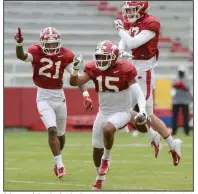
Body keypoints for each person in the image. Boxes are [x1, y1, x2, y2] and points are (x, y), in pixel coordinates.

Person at [14, 27, 93, 178]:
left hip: (59, 97)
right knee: (52, 130)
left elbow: (77, 78)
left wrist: (85, 94)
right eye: (48, 44)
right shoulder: (36, 51)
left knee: (61, 135)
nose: (51, 47)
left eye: (54, 44)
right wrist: (19, 44)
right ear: (42, 43)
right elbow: (22, 56)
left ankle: (58, 157)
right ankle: (60, 165)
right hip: (43, 97)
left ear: (59, 43)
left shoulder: (66, 55)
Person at [69, 40, 148, 190]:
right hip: (103, 112)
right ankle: (99, 179)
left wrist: (143, 110)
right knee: (96, 147)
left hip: (122, 111)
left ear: (114, 58)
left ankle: (107, 158)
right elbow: (75, 82)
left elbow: (138, 92)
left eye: (104, 57)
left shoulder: (125, 69)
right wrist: (74, 68)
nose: (101, 60)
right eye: (98, 57)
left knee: (108, 129)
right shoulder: (93, 68)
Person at [114, 1, 182, 166]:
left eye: (132, 9)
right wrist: (120, 49)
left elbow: (133, 43)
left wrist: (120, 30)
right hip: (131, 67)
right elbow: (124, 43)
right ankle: (161, 139)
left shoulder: (152, 23)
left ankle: (169, 142)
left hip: (144, 71)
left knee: (147, 114)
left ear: (142, 8)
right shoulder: (132, 22)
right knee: (123, 108)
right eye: (127, 10)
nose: (129, 13)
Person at [172, 66, 191, 136]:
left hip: (185, 100)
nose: (181, 73)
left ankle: (187, 132)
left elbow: (187, 88)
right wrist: (180, 85)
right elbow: (173, 85)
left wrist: (181, 85)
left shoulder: (187, 79)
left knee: (186, 117)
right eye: (180, 72)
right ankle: (174, 131)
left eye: (182, 72)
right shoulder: (175, 78)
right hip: (176, 100)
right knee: (174, 117)